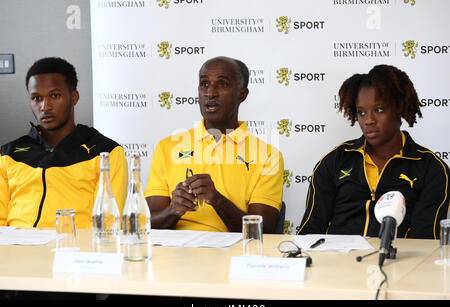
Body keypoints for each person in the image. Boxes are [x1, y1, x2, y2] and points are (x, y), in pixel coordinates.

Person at [298, 64, 449, 239]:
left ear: (399, 108)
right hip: (339, 263)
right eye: (361, 113)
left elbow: (426, 241)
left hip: (400, 264)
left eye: (378, 110)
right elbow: (309, 232)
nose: (368, 120)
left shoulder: (432, 169)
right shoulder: (334, 161)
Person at [145, 56, 284, 233]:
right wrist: (173, 210)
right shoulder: (167, 147)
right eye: (204, 84)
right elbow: (148, 225)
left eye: (222, 84)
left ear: (242, 94)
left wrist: (217, 200)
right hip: (173, 255)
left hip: (231, 257)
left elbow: (263, 231)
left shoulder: (269, 156)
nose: (210, 93)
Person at [0, 57, 128, 228]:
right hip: (15, 250)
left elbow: (108, 224)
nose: (45, 106)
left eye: (54, 95)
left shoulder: (107, 152)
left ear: (74, 97)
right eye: (37, 98)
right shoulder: (7, 154)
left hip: (74, 249)